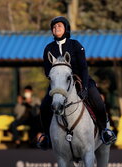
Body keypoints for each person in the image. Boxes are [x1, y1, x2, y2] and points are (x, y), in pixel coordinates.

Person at [38, 16, 116, 149]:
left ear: (66, 29)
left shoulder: (75, 45)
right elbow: (47, 71)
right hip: (58, 84)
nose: (56, 28)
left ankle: (104, 131)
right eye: (54, 27)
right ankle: (47, 136)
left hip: (81, 79)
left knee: (97, 100)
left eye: (59, 26)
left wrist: (84, 86)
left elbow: (84, 67)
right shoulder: (48, 48)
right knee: (44, 106)